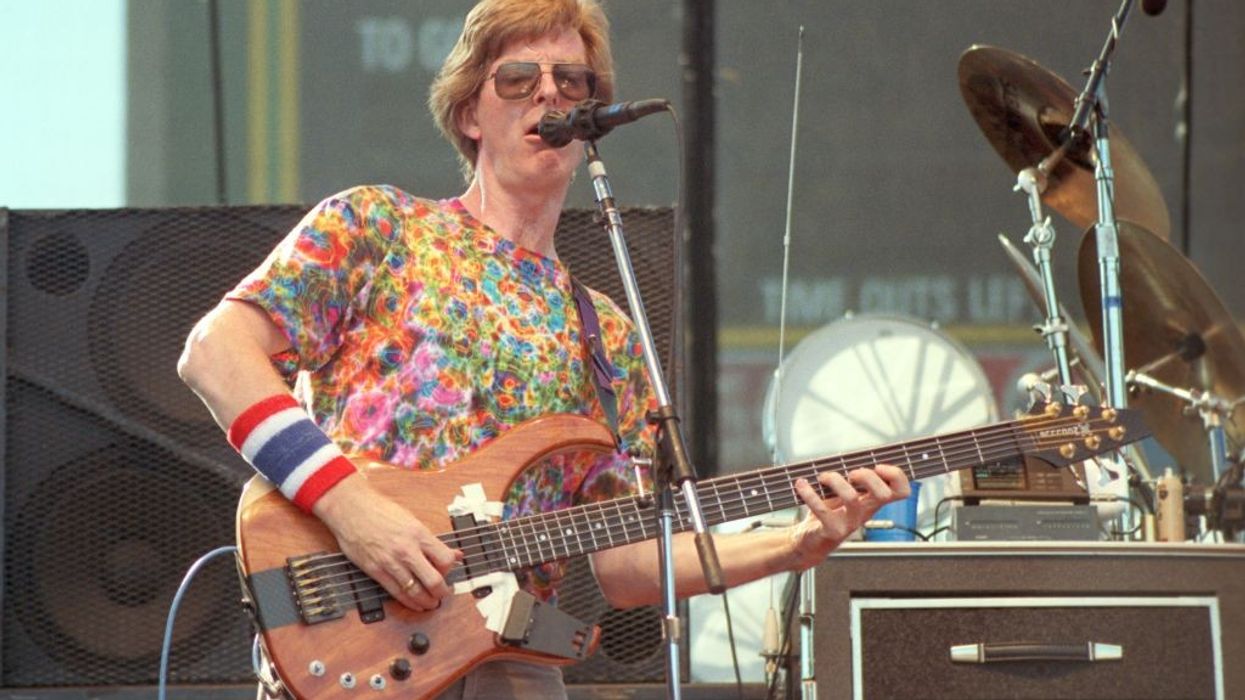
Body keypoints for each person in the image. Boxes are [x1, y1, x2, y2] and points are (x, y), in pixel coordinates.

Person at [178, 0, 909, 696]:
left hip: (506, 664)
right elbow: (215, 353)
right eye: (518, 78)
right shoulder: (381, 227)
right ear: (470, 113)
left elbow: (626, 563)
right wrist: (352, 510)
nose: (548, 93)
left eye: (572, 81)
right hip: (353, 639)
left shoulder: (606, 331)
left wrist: (796, 544)